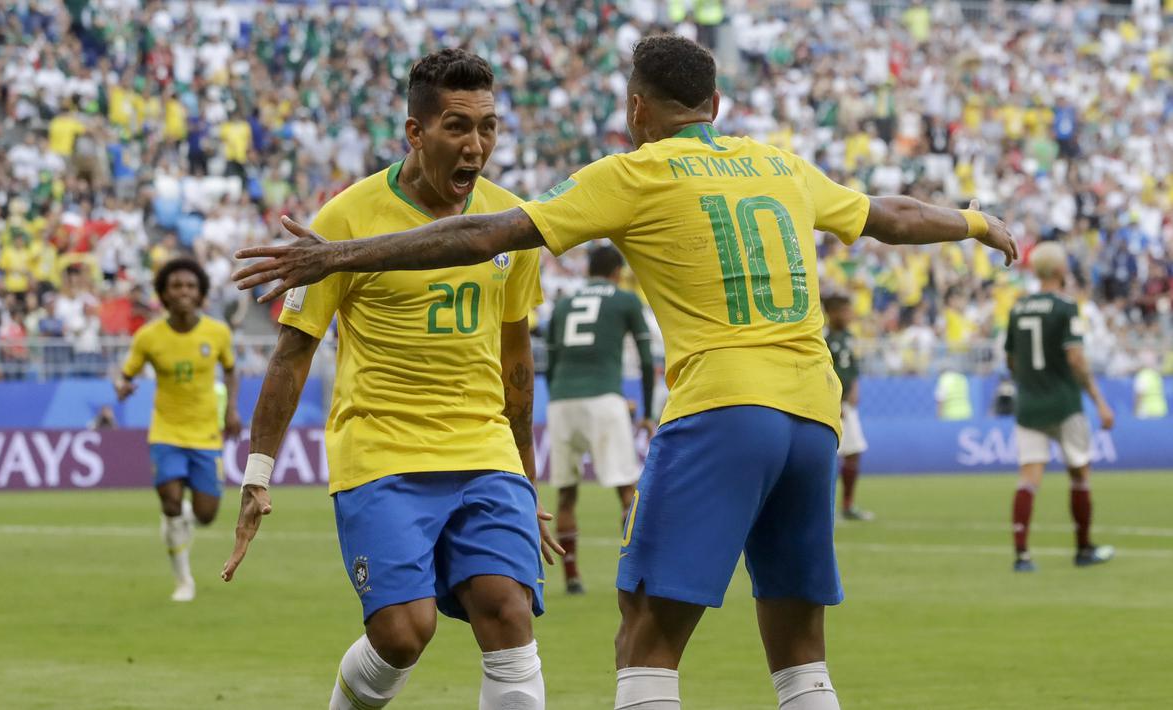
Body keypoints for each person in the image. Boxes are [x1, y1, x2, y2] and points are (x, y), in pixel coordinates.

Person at [233, 35, 1017, 710]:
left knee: (644, 632)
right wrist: (977, 222)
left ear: (637, 109)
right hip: (814, 418)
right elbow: (891, 215)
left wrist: (335, 256)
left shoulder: (633, 173)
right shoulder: (778, 163)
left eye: (487, 127)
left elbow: (482, 239)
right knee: (800, 651)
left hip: (720, 408)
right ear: (715, 103)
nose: (476, 144)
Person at [218, 50, 560, 710]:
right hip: (381, 452)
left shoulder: (509, 221)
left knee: (507, 614)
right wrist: (258, 471)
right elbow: (292, 354)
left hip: (484, 451)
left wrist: (525, 471)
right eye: (457, 127)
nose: (476, 145)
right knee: (403, 633)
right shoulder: (344, 220)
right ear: (415, 132)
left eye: (487, 127)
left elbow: (515, 353)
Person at [115, 257, 240, 602]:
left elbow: (231, 370)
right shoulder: (148, 337)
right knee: (170, 502)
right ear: (164, 294)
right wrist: (122, 387)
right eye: (176, 286)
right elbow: (125, 375)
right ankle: (184, 580)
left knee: (205, 515)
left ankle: (182, 518)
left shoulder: (217, 332)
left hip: (205, 434)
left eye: (190, 286)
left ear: (200, 293)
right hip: (166, 432)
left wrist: (231, 409)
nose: (184, 291)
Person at [546, 244, 655, 594]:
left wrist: (557, 396)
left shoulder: (563, 304)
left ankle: (572, 577)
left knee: (566, 493)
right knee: (626, 489)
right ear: (617, 272)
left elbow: (550, 361)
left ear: (589, 269)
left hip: (561, 400)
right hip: (604, 397)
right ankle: (637, 574)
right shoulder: (625, 300)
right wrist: (647, 412)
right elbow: (645, 357)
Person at [1004, 241, 1115, 573]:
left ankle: (1022, 555)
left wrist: (1029, 382)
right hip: (1065, 402)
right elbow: (1076, 358)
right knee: (1079, 474)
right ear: (1058, 270)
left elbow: (1011, 359)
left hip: (1029, 404)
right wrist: (1098, 400)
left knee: (1028, 479)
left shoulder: (1018, 308)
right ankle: (1083, 549)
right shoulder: (1067, 307)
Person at [823, 294, 871, 521]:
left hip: (847, 405)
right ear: (832, 313)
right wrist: (833, 400)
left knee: (853, 453)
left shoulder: (849, 338)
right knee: (826, 456)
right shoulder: (823, 338)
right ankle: (824, 508)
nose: (849, 315)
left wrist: (855, 388)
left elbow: (852, 367)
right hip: (830, 404)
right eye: (844, 311)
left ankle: (848, 505)